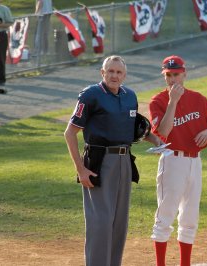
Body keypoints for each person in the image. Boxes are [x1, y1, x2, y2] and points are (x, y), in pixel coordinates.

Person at [64, 55, 161, 266]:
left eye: (118, 72)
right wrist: (81, 170)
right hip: (99, 162)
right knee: (101, 222)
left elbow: (135, 127)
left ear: (124, 75)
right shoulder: (90, 95)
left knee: (119, 223)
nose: (114, 75)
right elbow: (70, 133)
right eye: (110, 71)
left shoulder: (130, 96)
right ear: (102, 73)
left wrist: (155, 140)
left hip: (124, 161)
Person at [148, 55, 207, 266]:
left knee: (190, 217)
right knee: (165, 216)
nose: (173, 79)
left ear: (184, 74)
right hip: (172, 161)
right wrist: (173, 102)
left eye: (176, 74)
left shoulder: (199, 99)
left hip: (194, 162)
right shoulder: (158, 101)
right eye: (168, 75)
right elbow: (163, 132)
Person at [0, 0, 14, 92]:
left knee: (1, 58)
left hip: (1, 35)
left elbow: (10, 22)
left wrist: (0, 25)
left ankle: (1, 80)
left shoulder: (4, 9)